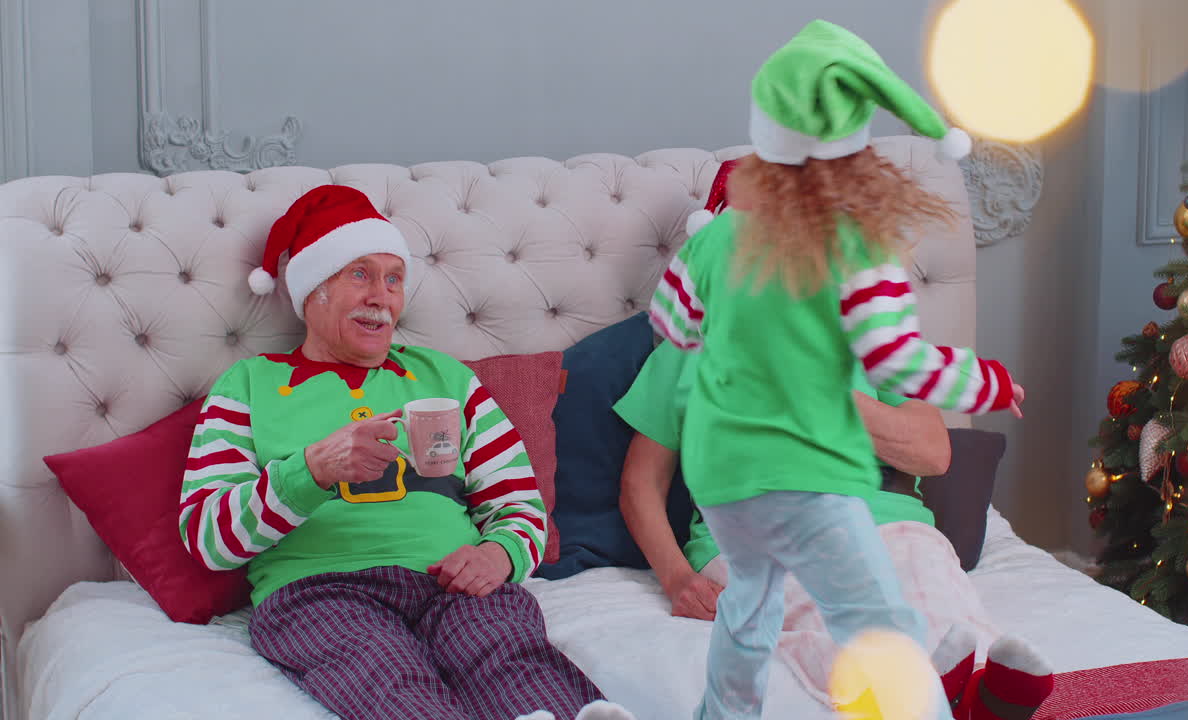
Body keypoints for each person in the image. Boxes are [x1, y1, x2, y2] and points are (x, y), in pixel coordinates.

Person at [647, 20, 1039, 720]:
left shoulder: (722, 246)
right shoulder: (851, 254)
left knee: (758, 615)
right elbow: (903, 361)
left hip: (747, 487)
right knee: (870, 618)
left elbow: (670, 323)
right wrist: (989, 383)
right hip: (798, 487)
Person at [179, 185, 633, 720]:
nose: (382, 296)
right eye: (360, 274)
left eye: (394, 279)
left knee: (509, 657)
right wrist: (312, 471)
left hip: (451, 582)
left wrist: (499, 554)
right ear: (311, 291)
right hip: (320, 593)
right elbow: (209, 539)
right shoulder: (248, 385)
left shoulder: (448, 379)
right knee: (384, 675)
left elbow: (519, 503)